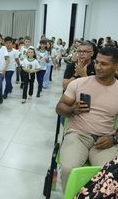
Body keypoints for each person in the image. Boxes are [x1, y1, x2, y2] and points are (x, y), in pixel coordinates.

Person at [55, 47, 118, 193]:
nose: (97, 67)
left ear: (116, 66)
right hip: (78, 135)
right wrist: (72, 110)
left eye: (104, 64)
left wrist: (114, 138)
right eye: (97, 62)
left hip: (105, 139)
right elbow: (60, 107)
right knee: (68, 168)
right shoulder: (79, 83)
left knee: (110, 175)